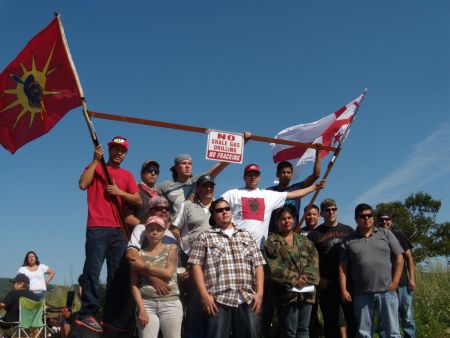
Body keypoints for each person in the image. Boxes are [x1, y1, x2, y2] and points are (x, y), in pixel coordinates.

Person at [76, 136, 142, 333]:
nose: (119, 153)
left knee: (117, 274)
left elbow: (138, 199)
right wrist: (96, 160)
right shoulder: (95, 166)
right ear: (109, 149)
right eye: (115, 149)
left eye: (122, 151)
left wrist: (120, 192)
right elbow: (82, 184)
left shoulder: (127, 175)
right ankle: (88, 311)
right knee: (93, 270)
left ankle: (111, 316)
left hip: (119, 230)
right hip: (97, 226)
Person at [188, 198, 266, 338]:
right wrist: (204, 295)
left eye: (227, 209)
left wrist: (259, 293)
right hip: (218, 300)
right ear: (213, 215)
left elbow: (258, 265)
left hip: (247, 298)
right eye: (219, 210)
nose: (224, 212)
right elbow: (195, 266)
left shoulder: (246, 235)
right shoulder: (205, 237)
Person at [221, 163, 326, 248]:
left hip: (260, 247)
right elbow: (216, 207)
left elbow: (293, 194)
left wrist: (314, 187)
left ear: (259, 177)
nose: (253, 177)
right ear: (244, 177)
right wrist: (227, 224)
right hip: (237, 245)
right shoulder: (233, 193)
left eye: (256, 174)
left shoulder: (267, 195)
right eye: (249, 174)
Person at [339, 204, 404, 338]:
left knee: (393, 332)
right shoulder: (347, 240)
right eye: (363, 216)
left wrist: (395, 281)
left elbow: (399, 257)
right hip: (361, 294)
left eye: (369, 215)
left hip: (387, 291)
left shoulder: (385, 233)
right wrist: (343, 290)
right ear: (356, 219)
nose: (367, 218)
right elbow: (342, 268)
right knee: (364, 333)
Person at [264, 207, 319, 338]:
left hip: (307, 293)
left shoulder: (305, 241)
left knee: (304, 330)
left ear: (294, 220)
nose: (286, 221)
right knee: (289, 332)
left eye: (289, 218)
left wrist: (305, 278)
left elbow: (314, 263)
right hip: (286, 295)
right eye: (283, 219)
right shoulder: (271, 242)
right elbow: (274, 268)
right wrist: (295, 279)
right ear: (277, 222)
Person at [307, 198, 356, 338]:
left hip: (349, 283)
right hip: (327, 284)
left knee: (352, 319)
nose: (331, 212)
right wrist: (318, 279)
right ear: (322, 213)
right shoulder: (314, 234)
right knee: (331, 322)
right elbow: (309, 261)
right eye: (327, 210)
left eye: (333, 209)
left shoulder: (349, 230)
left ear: (337, 210)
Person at [131, 216, 182, 338]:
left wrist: (143, 268)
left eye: (158, 229)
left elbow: (168, 272)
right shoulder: (139, 254)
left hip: (170, 302)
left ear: (164, 232)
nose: (154, 232)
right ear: (146, 233)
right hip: (146, 303)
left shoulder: (172, 248)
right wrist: (141, 308)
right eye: (150, 229)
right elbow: (133, 284)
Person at [377, 213, 416, 338]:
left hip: (403, 284)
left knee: (407, 317)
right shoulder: (375, 237)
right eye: (381, 220)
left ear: (391, 222)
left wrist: (412, 279)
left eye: (387, 220)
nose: (384, 222)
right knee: (384, 319)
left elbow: (409, 258)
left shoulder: (399, 235)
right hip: (383, 286)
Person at [157, 154, 228, 221]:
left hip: (193, 223)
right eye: (183, 163)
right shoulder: (164, 186)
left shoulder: (198, 180)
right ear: (176, 168)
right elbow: (158, 207)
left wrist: (231, 157)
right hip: (175, 226)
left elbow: (215, 170)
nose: (187, 166)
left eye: (189, 163)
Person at [267, 146, 321, 233]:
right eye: (283, 172)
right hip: (273, 235)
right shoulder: (269, 191)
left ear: (292, 175)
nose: (286, 174)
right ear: (277, 174)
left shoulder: (297, 188)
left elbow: (316, 175)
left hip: (293, 234)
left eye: (288, 172)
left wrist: (318, 153)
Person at [126, 160, 161, 225]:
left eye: (156, 171)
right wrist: (147, 227)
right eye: (149, 170)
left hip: (158, 233)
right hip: (137, 233)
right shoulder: (134, 192)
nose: (153, 173)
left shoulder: (162, 197)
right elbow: (127, 217)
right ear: (142, 173)